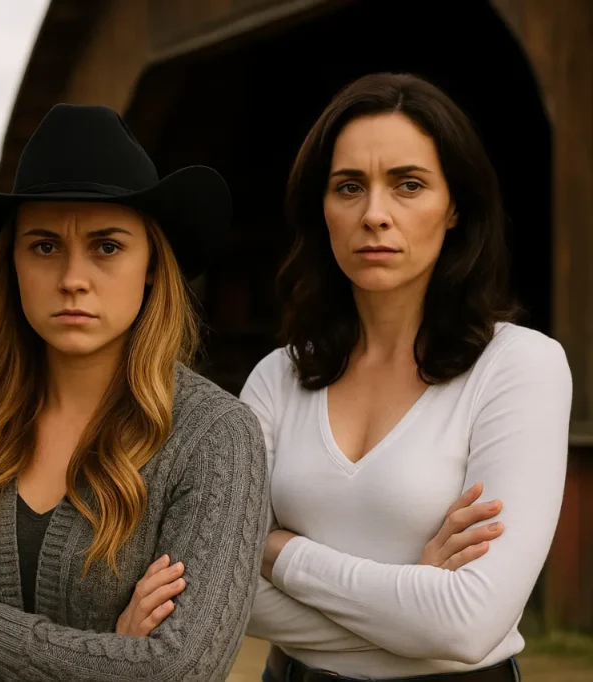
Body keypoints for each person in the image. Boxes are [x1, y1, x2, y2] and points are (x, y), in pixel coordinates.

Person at [0, 103, 269, 681]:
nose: (72, 279)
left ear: (150, 263)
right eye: (44, 246)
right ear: (12, 264)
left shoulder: (214, 439)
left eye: (106, 246)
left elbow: (177, 670)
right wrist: (107, 657)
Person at [241, 72, 571, 681]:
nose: (374, 214)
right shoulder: (276, 378)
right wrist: (414, 603)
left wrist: (278, 552)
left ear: (455, 207)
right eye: (349, 187)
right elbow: (221, 589)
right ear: (322, 209)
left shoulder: (520, 366)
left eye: (408, 185)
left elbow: (467, 624)